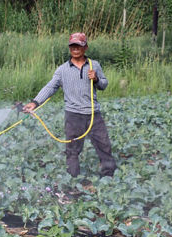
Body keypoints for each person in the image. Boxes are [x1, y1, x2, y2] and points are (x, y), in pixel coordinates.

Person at [23, 32, 117, 178]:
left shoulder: (94, 65)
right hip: (73, 116)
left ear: (85, 47)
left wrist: (97, 78)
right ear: (69, 48)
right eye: (72, 46)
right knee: (72, 150)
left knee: (104, 147)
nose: (75, 49)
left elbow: (104, 85)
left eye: (78, 46)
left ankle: (109, 179)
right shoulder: (62, 70)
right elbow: (50, 87)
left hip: (93, 115)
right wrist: (35, 102)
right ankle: (73, 182)